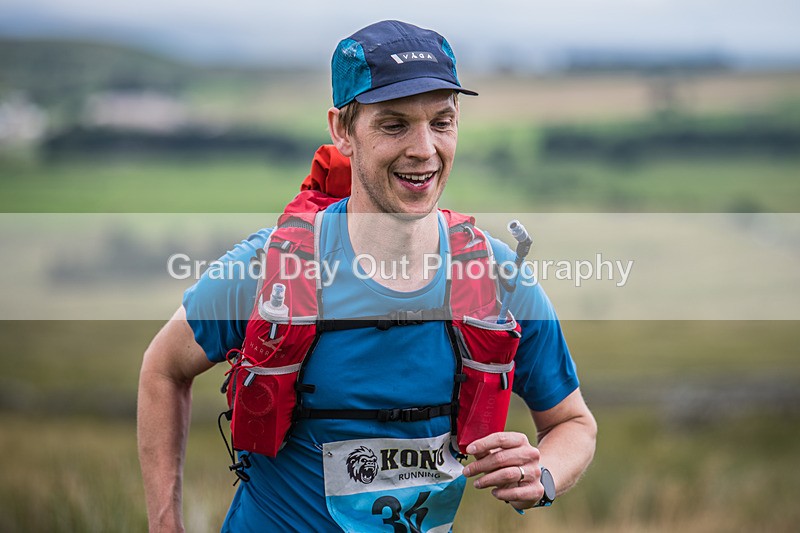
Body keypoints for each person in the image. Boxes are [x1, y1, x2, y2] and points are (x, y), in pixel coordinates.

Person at [138, 19, 596, 533]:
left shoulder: (497, 279)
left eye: (442, 122)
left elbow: (573, 424)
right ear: (342, 130)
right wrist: (164, 525)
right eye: (394, 125)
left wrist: (544, 475)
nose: (424, 149)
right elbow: (163, 368)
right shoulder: (273, 267)